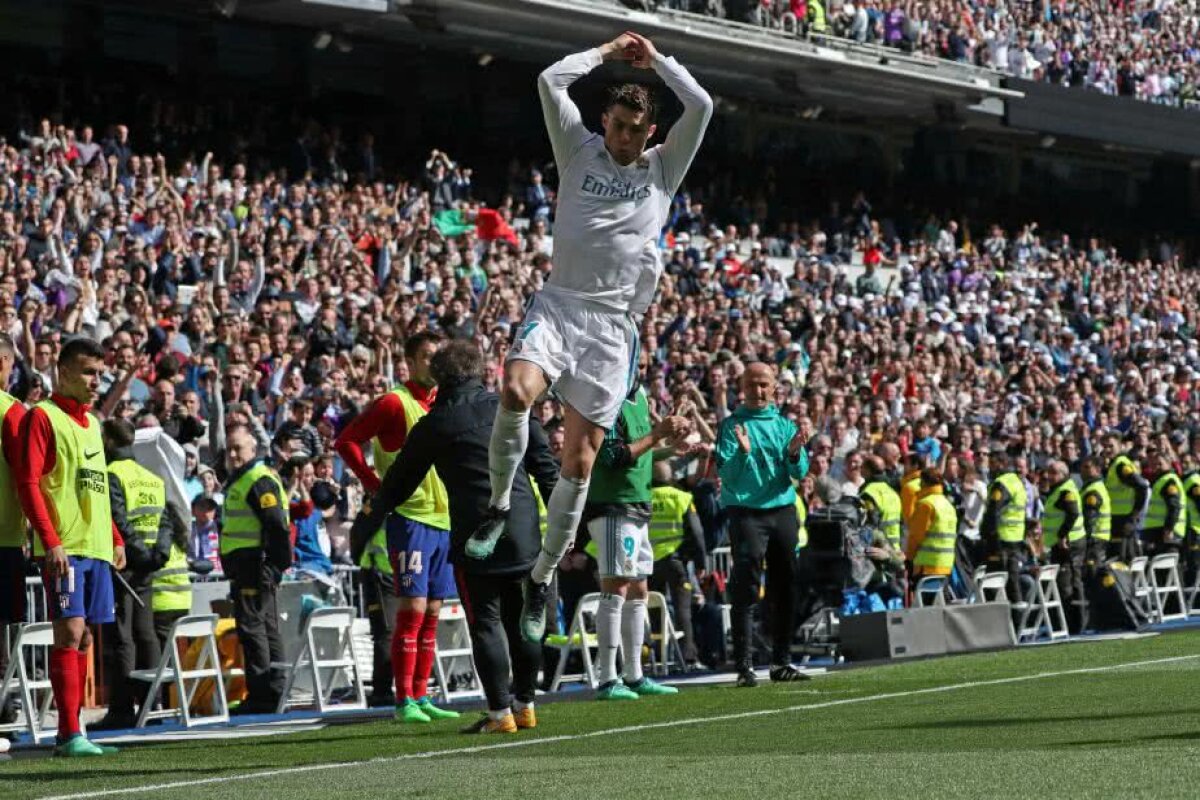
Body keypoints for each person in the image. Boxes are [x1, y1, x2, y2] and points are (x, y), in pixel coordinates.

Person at [468, 31, 712, 646]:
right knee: (516, 391)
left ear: (651, 133)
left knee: (578, 461)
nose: (625, 137)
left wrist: (657, 61)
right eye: (618, 125)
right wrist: (604, 53)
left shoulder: (663, 169)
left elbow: (702, 104)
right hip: (560, 304)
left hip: (612, 327)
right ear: (604, 120)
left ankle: (544, 576)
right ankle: (498, 505)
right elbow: (549, 79)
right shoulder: (577, 149)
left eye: (636, 130)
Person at [352, 341, 558, 734]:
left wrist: (364, 528)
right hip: (524, 533)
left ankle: (500, 714)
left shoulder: (436, 423)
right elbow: (547, 471)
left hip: (474, 535)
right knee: (524, 620)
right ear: (481, 371)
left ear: (439, 377)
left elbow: (396, 486)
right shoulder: (512, 408)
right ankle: (525, 704)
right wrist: (567, 530)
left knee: (486, 623)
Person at [335, 332, 457, 723]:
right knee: (413, 609)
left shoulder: (443, 403)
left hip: (443, 520)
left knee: (433, 611)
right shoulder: (394, 402)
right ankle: (403, 700)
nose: (434, 364)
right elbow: (346, 441)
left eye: (439, 357)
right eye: (427, 356)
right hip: (410, 518)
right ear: (410, 361)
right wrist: (375, 485)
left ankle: (421, 694)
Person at [15, 337, 124, 757]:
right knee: (70, 631)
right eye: (88, 372)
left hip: (96, 547)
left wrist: (114, 538)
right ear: (62, 371)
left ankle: (75, 732)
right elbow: (29, 482)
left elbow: (95, 488)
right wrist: (51, 541)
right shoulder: (42, 416)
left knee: (85, 639)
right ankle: (68, 733)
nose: (96, 381)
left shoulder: (93, 424)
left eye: (100, 374)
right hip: (66, 547)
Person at [581, 384, 688, 700]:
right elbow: (613, 455)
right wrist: (658, 434)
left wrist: (671, 449)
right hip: (614, 505)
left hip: (638, 505)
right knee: (616, 587)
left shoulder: (639, 396)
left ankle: (634, 674)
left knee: (639, 589)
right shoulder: (607, 398)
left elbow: (641, 453)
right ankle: (606, 678)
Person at [715, 363, 809, 687]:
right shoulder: (731, 426)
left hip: (782, 510)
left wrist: (794, 453)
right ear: (742, 388)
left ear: (774, 388)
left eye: (764, 384)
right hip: (746, 512)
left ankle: (781, 662)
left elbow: (800, 472)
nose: (758, 390)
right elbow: (727, 476)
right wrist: (743, 454)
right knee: (747, 584)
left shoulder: (784, 425)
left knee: (787, 585)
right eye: (752, 384)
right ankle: (744, 666)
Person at [94, 418, 186, 729]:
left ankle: (122, 710)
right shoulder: (152, 478)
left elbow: (118, 521)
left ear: (108, 441)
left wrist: (138, 555)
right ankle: (152, 705)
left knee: (123, 637)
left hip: (125, 566)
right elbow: (166, 522)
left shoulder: (111, 475)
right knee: (145, 634)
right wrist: (156, 556)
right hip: (147, 566)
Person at [220, 425, 291, 714]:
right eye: (229, 449)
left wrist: (276, 565)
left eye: (238, 448)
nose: (232, 454)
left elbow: (276, 524)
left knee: (253, 630)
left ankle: (262, 696)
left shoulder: (256, 480)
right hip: (251, 565)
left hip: (254, 564)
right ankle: (274, 692)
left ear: (253, 447)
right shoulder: (244, 479)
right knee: (267, 628)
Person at [647, 461, 707, 669]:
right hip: (675, 562)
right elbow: (697, 533)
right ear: (670, 477)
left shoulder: (643, 499)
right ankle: (688, 658)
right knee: (683, 611)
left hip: (649, 563)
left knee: (654, 610)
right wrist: (700, 562)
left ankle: (658, 658)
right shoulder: (682, 497)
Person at [0, 334, 26, 726]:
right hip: (5, 538)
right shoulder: (13, 412)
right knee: (3, 629)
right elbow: (29, 477)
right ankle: (4, 706)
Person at [1040, 460, 1087, 633]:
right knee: (1068, 583)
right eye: (1049, 472)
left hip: (1068, 544)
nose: (1049, 476)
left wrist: (1061, 535)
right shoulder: (1058, 489)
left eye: (1054, 473)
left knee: (1066, 584)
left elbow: (1073, 513)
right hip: (1062, 544)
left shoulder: (1066, 490)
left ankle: (1073, 624)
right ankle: (1070, 623)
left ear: (1064, 474)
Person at [981, 448, 1029, 603]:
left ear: (1001, 464)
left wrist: (990, 535)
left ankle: (995, 615)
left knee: (993, 584)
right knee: (1012, 581)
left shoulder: (1002, 484)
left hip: (1001, 541)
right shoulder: (1017, 482)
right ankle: (1017, 615)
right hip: (1015, 539)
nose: (990, 467)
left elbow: (993, 512)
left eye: (992, 464)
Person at [905, 467, 959, 583]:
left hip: (926, 565)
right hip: (945, 564)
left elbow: (916, 536)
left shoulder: (926, 504)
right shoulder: (947, 504)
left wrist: (908, 559)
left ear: (923, 482)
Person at [1102, 432, 1149, 563]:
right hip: (1117, 518)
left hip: (1123, 519)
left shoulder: (1121, 465)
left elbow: (1142, 486)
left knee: (1119, 560)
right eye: (1105, 447)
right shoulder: (1113, 464)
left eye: (1111, 446)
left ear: (1120, 446)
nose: (1107, 450)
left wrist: (1134, 514)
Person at [1142, 451, 1184, 559]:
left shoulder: (1168, 481)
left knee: (1162, 566)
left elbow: (1174, 507)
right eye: (1154, 464)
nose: (1157, 466)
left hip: (1164, 534)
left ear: (1169, 463)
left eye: (1160, 464)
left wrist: (1169, 529)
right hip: (1159, 533)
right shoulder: (1162, 480)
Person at [858, 456, 903, 551]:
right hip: (895, 548)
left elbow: (870, 522)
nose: (860, 469)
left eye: (862, 467)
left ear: (868, 470)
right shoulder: (892, 491)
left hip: (878, 549)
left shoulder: (868, 493)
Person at [1079, 456, 1111, 575]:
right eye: (1082, 467)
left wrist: (1084, 539)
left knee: (1091, 574)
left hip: (1094, 539)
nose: (1083, 470)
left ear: (1098, 469)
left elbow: (1090, 518)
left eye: (1087, 467)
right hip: (1098, 537)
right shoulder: (1092, 487)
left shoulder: (1093, 491)